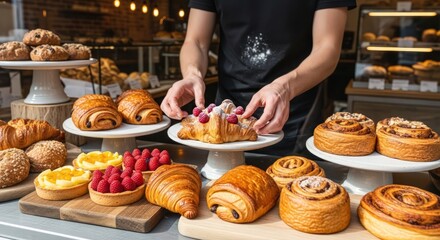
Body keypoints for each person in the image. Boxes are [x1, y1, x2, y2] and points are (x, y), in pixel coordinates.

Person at [161, 0, 357, 155]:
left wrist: (285, 87)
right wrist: (192, 74)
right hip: (226, 116)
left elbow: (327, 49)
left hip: (293, 114)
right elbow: (195, 41)